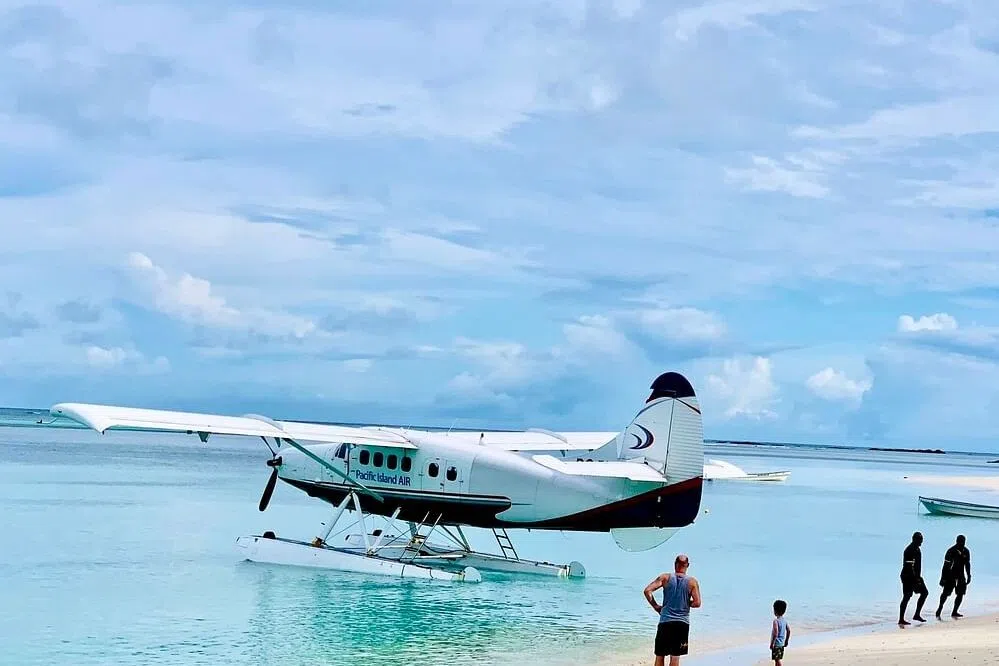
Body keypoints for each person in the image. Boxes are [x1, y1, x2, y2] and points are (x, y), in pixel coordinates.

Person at [643, 554, 702, 666]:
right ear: (687, 565)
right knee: (675, 658)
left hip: (665, 622)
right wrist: (685, 602)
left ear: (675, 564)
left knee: (660, 655)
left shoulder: (665, 578)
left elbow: (647, 591)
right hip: (682, 624)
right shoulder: (692, 582)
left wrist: (656, 606)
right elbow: (697, 603)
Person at [936, 534, 972, 619]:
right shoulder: (951, 551)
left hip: (961, 574)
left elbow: (967, 564)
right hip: (950, 574)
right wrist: (943, 578)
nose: (962, 544)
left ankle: (955, 611)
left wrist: (969, 575)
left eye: (963, 542)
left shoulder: (966, 551)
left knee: (960, 593)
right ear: (957, 541)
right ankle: (940, 607)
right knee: (946, 593)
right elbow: (945, 566)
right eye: (960, 542)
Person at [899, 531, 928, 625]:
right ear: (914, 539)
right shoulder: (909, 550)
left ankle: (917, 614)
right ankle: (901, 619)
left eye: (922, 539)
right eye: (920, 539)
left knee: (924, 593)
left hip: (916, 576)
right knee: (907, 596)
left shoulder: (917, 549)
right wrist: (916, 579)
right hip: (907, 576)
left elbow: (917, 566)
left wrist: (918, 578)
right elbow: (909, 567)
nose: (921, 542)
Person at [769, 599, 791, 665]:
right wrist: (786, 641)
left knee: (777, 660)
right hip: (781, 644)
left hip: (776, 644)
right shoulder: (784, 621)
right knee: (777, 659)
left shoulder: (776, 621)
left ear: (775, 611)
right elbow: (789, 630)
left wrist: (772, 643)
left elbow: (776, 633)